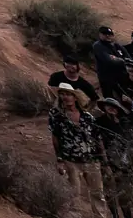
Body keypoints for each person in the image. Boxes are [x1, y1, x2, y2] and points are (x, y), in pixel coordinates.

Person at [49, 83, 107, 218]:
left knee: (98, 194)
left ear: (75, 97)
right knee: (73, 194)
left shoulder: (87, 117)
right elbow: (55, 138)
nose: (65, 97)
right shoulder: (57, 116)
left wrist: (103, 160)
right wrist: (59, 160)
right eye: (62, 94)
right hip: (71, 160)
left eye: (68, 94)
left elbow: (97, 139)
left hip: (91, 159)